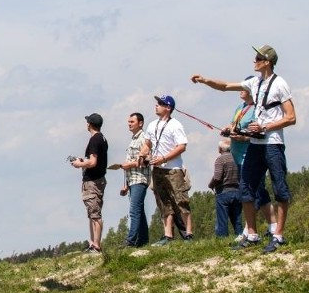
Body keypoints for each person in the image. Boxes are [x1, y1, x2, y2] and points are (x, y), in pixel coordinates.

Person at [191, 44, 296, 253]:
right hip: (255, 145)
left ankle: (279, 236)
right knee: (246, 188)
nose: (254, 60)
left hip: (273, 143)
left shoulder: (280, 84)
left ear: (267, 61)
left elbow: (291, 117)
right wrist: (205, 80)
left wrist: (264, 126)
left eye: (257, 57)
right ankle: (253, 235)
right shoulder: (253, 82)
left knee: (279, 189)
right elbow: (226, 86)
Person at [139, 95, 193, 246]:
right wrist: (143, 154)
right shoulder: (152, 125)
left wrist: (164, 158)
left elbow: (182, 146)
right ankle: (167, 235)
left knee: (180, 200)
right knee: (163, 202)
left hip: (173, 169)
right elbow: (147, 144)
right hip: (157, 169)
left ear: (168, 108)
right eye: (157, 103)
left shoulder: (175, 125)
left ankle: (189, 234)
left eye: (160, 104)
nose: (157, 105)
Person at [226, 81, 277, 242]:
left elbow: (256, 131)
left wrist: (242, 137)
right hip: (238, 155)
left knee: (250, 191)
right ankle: (272, 226)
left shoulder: (256, 109)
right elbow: (234, 124)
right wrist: (229, 130)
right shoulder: (240, 107)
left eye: (243, 89)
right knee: (257, 191)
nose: (240, 91)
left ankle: (250, 230)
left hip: (250, 154)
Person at [71, 113, 108, 254]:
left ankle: (96, 246)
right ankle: (93, 243)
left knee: (95, 214)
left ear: (90, 124)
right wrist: (83, 160)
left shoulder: (95, 139)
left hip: (93, 182)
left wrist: (79, 164)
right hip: (97, 180)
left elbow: (92, 162)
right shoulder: (102, 138)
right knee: (92, 213)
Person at [119, 112, 150, 247]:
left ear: (140, 123)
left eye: (132, 121)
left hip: (140, 178)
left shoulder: (144, 138)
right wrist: (126, 184)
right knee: (139, 210)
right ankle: (143, 240)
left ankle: (131, 241)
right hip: (132, 179)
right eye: (129, 122)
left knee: (134, 210)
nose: (129, 124)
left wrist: (129, 164)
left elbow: (147, 161)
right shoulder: (133, 139)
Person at [208, 139, 243, 237]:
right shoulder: (237, 158)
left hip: (223, 192)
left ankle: (222, 239)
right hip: (237, 191)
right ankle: (240, 236)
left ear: (220, 149)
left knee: (222, 220)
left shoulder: (220, 159)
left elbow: (217, 177)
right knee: (237, 219)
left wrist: (210, 185)